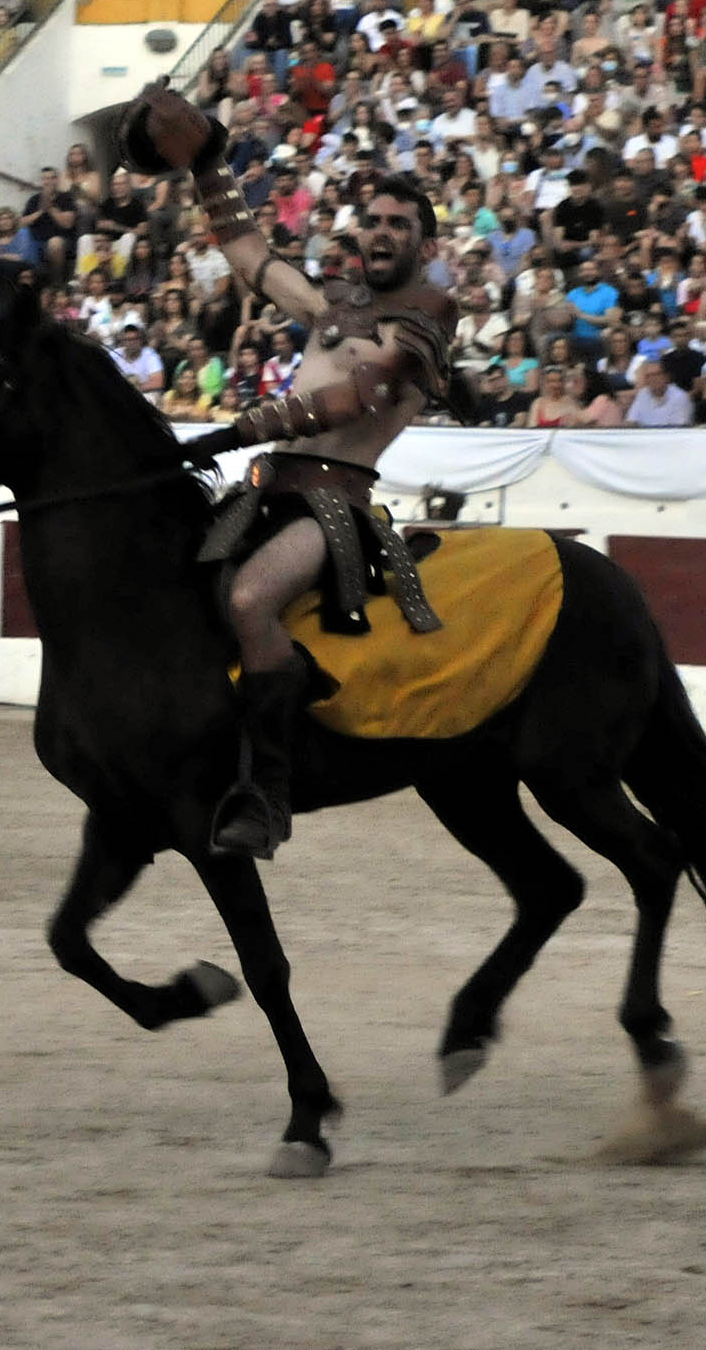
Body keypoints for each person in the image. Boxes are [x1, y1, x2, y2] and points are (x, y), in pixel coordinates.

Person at [134, 83, 462, 859]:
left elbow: (360, 396)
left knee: (250, 600)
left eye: (399, 225)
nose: (381, 233)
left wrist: (241, 427)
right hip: (266, 490)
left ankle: (267, 795)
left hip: (331, 502)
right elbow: (246, 251)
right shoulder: (333, 306)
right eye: (373, 221)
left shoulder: (427, 315)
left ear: (424, 245)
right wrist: (207, 162)